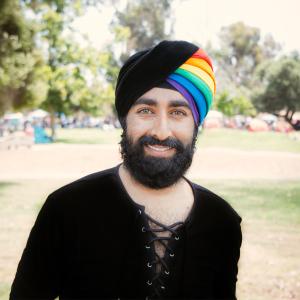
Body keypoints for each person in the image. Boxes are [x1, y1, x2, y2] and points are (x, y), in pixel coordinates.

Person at [10, 40, 242, 300]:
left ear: (195, 125)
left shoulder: (222, 222)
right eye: (145, 110)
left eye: (178, 112)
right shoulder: (66, 209)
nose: (161, 131)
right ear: (125, 120)